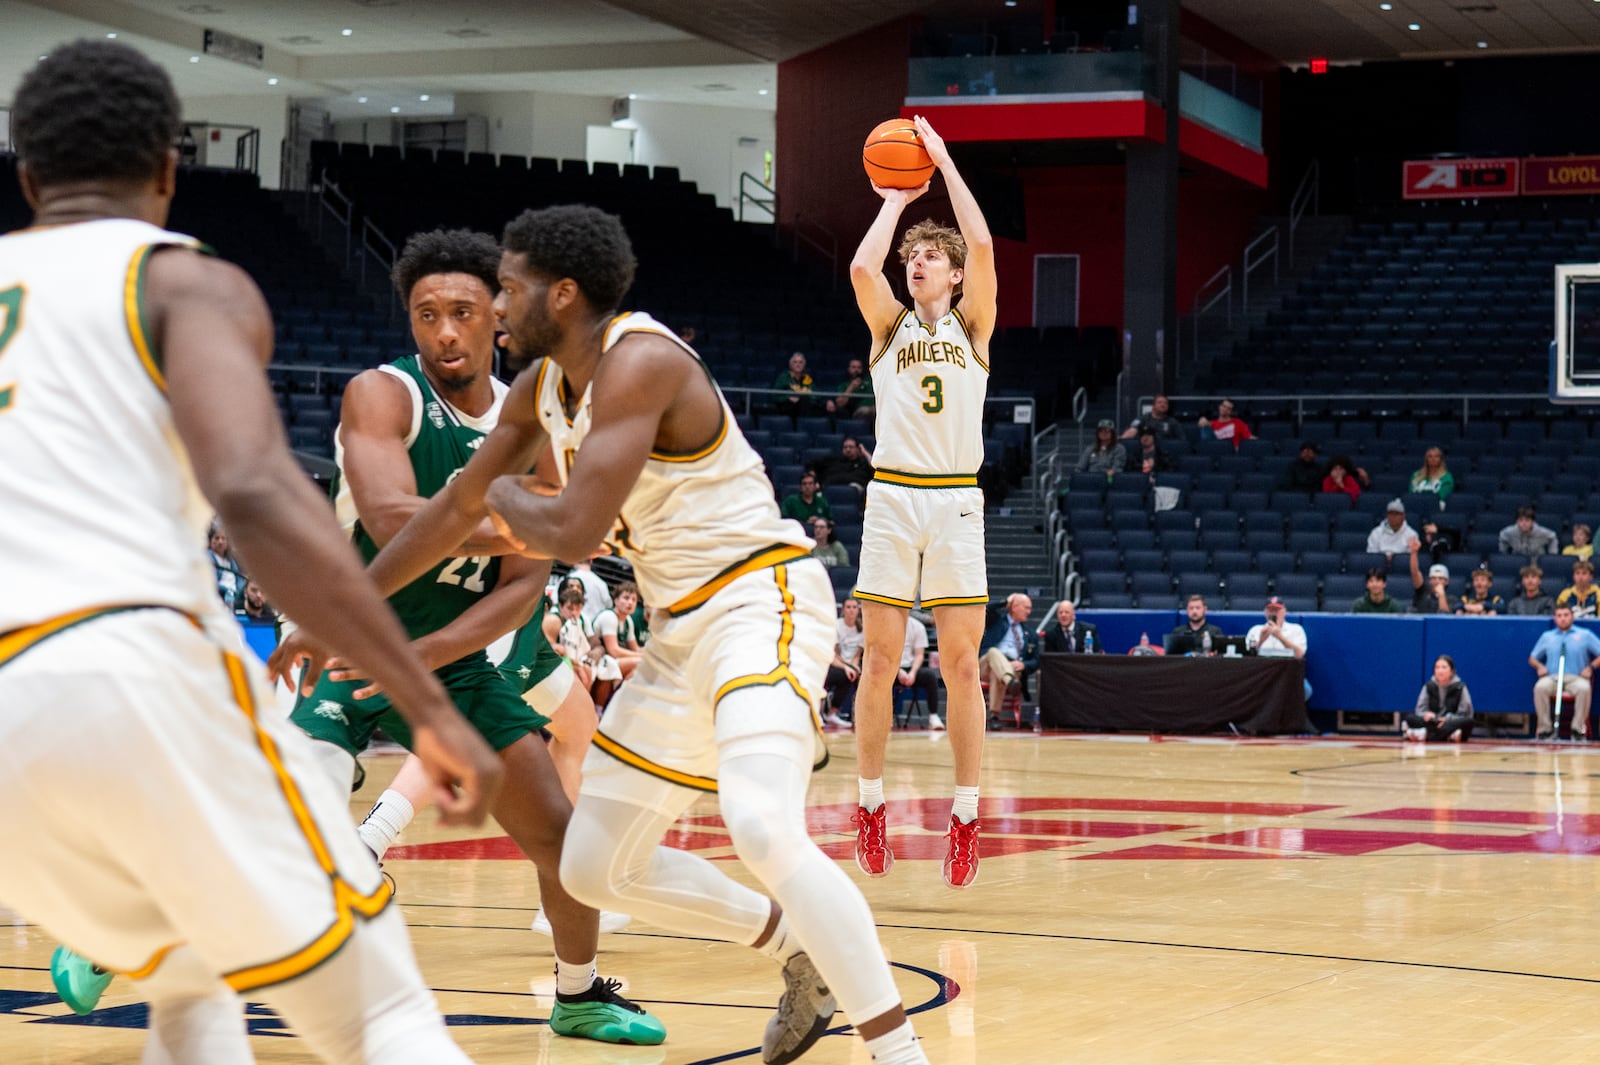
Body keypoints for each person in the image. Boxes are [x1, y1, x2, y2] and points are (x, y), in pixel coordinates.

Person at [0, 40, 502, 1064]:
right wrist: (425, 702)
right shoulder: (185, 284)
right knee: (381, 1016)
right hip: (121, 662)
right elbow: (256, 487)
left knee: (190, 972)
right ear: (171, 171)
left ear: (26, 176)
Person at [342, 204, 934, 1065]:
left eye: (507, 289)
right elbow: (443, 519)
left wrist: (492, 497)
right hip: (674, 632)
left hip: (757, 601)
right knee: (591, 866)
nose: (498, 308)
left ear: (564, 293)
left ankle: (900, 1051)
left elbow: (571, 530)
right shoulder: (547, 388)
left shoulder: (642, 360)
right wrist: (347, 610)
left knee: (762, 825)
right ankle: (798, 952)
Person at [276, 227, 660, 1045]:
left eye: (460, 312)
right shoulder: (383, 394)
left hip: (446, 659)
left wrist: (436, 648)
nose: (443, 332)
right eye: (425, 315)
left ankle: (579, 990)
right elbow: (389, 521)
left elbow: (523, 594)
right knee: (278, 835)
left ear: (498, 314)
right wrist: (534, 527)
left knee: (564, 837)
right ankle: (125, 947)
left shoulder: (536, 423)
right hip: (346, 639)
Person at [848, 113, 995, 893]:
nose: (919, 263)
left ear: (955, 274)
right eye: (916, 258)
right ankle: (869, 806)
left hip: (956, 503)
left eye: (932, 257)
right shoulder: (888, 327)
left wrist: (940, 161)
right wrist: (896, 200)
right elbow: (860, 271)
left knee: (962, 663)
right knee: (877, 659)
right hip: (894, 497)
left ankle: (965, 817)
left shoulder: (974, 326)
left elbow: (987, 244)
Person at [1529, 604, 1600, 740]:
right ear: (1555, 619)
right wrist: (1539, 666)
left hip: (1576, 677)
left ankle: (1577, 730)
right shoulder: (1547, 636)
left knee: (1584, 688)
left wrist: (1590, 667)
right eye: (1559, 616)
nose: (1563, 619)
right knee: (1540, 687)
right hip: (1552, 678)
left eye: (1566, 615)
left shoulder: (1584, 635)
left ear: (1572, 617)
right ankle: (1545, 730)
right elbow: (1532, 658)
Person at [979, 593, 1038, 725]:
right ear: (1014, 607)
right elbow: (986, 608)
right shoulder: (996, 620)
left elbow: (1036, 661)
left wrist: (1023, 664)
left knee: (998, 672)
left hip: (1012, 668)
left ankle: (994, 716)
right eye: (1026, 608)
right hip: (985, 665)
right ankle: (1009, 680)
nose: (1029, 612)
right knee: (994, 652)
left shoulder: (1031, 634)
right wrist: (1005, 601)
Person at [1245, 596, 1311, 700]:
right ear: (1265, 612)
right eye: (1270, 610)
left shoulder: (1296, 629)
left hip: (1288, 673)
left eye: (1277, 610)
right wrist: (1262, 640)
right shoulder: (1256, 630)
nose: (1273, 613)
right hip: (1261, 673)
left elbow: (1299, 655)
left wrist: (1280, 637)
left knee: (1305, 689)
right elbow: (1248, 657)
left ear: (1284, 611)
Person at [1402, 656, 1475, 743]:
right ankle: (1449, 735)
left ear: (1452, 671)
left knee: (1468, 722)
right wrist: (1428, 715)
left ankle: (1423, 734)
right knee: (1410, 718)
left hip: (1450, 722)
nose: (1440, 670)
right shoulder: (1429, 686)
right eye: (1437, 667)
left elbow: (1465, 713)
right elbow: (1420, 709)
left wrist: (1447, 719)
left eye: (1444, 667)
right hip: (1432, 721)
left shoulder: (1460, 687)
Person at [895, 612, 944, 730]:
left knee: (930, 676)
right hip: (892, 668)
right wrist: (898, 671)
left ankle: (933, 716)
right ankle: (883, 717)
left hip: (911, 667)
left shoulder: (917, 626)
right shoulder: (887, 626)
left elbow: (919, 655)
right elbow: (885, 656)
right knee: (880, 676)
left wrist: (912, 673)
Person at [825, 597, 865, 727]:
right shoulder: (836, 625)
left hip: (849, 665)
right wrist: (846, 667)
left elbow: (857, 655)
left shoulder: (863, 629)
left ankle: (860, 717)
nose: (851, 610)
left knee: (862, 678)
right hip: (834, 663)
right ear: (843, 610)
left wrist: (854, 666)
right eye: (848, 607)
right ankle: (830, 713)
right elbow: (834, 654)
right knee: (846, 676)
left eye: (854, 607)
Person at [593, 580, 643, 682]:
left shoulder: (628, 620)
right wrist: (643, 657)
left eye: (634, 600)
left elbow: (635, 649)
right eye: (626, 598)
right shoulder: (609, 616)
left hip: (610, 661)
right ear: (616, 600)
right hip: (598, 660)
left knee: (640, 668)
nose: (630, 602)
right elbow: (614, 651)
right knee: (641, 662)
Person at [207, 517, 247, 610]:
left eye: (223, 538)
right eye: (216, 538)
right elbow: (212, 581)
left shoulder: (231, 560)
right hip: (218, 597)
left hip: (235, 596)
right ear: (210, 541)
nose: (220, 542)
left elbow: (239, 579)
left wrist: (237, 592)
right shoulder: (208, 557)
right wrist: (226, 590)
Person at [568, 557, 613, 627]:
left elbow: (555, 600)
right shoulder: (601, 584)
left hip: (573, 623)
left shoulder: (567, 579)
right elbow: (609, 605)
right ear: (591, 561)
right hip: (593, 626)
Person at [1408, 543, 1452, 614]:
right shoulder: (1422, 592)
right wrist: (1414, 553)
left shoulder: (1452, 599)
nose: (1437, 581)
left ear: (1447, 581)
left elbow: (1445, 618)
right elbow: (1415, 573)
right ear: (1429, 581)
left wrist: (1441, 595)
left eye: (1440, 578)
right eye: (1433, 578)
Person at [771, 350, 816, 415]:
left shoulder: (807, 378)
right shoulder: (784, 377)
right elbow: (775, 395)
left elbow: (816, 394)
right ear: (791, 365)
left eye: (801, 362)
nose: (798, 365)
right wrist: (788, 398)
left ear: (804, 365)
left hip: (805, 408)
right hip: (788, 408)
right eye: (795, 362)